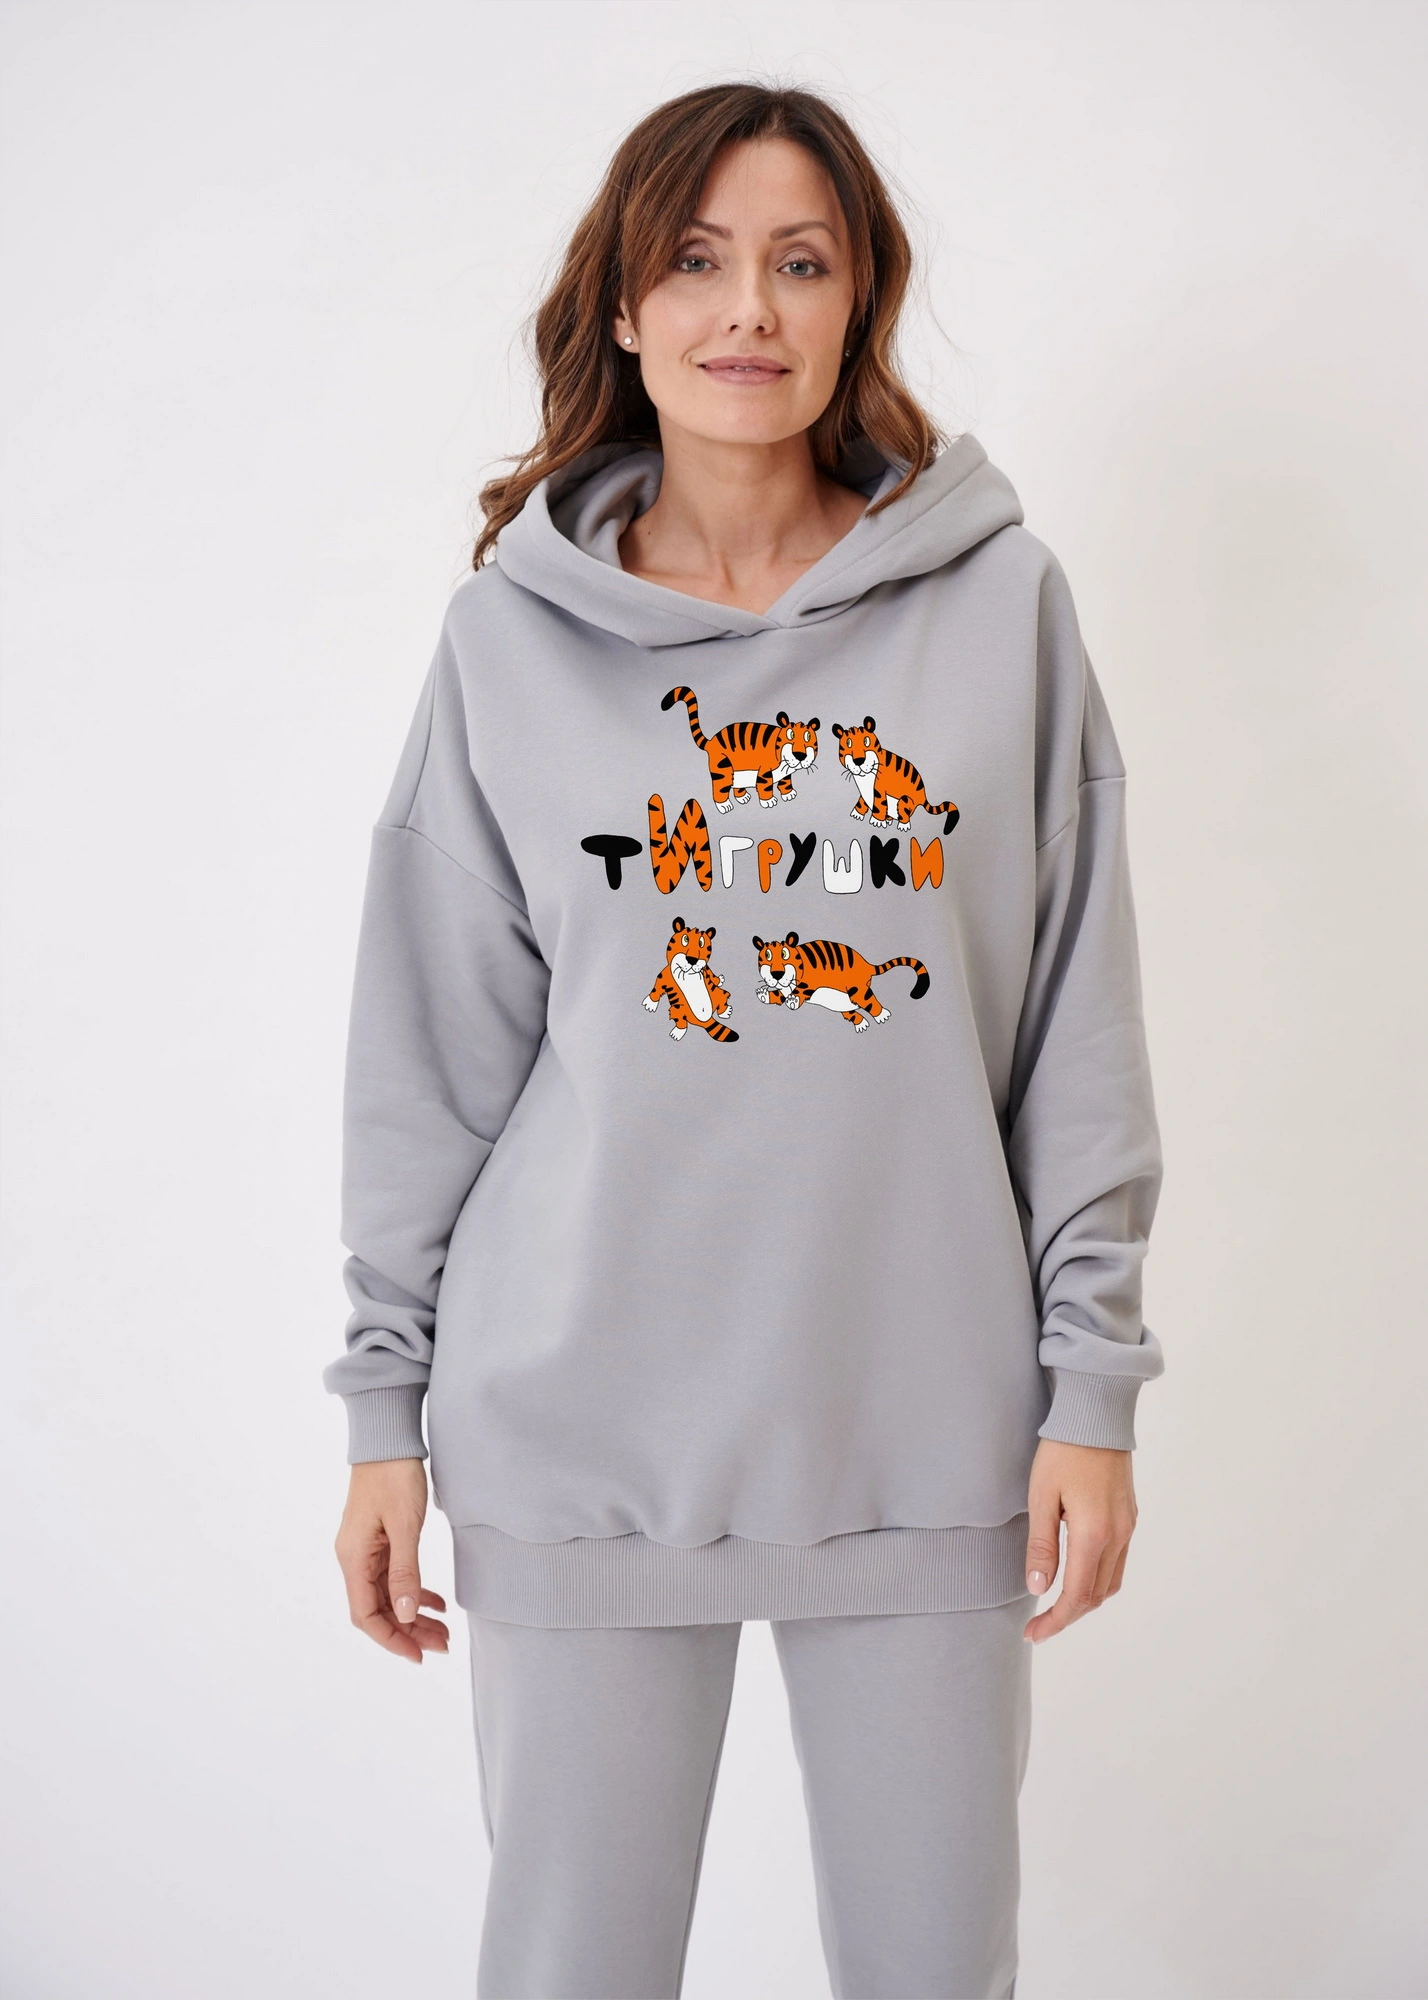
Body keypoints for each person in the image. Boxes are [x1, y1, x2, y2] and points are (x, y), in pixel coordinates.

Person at [326, 80, 1164, 2000]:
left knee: (937, 1968)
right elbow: (430, 1062)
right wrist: (382, 1413)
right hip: (577, 1426)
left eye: (801, 262)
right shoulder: (506, 647)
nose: (749, 311)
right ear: (623, 306)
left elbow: (1075, 1028)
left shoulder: (1001, 609)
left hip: (926, 1420)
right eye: (697, 262)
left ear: (861, 299)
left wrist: (1093, 1386)